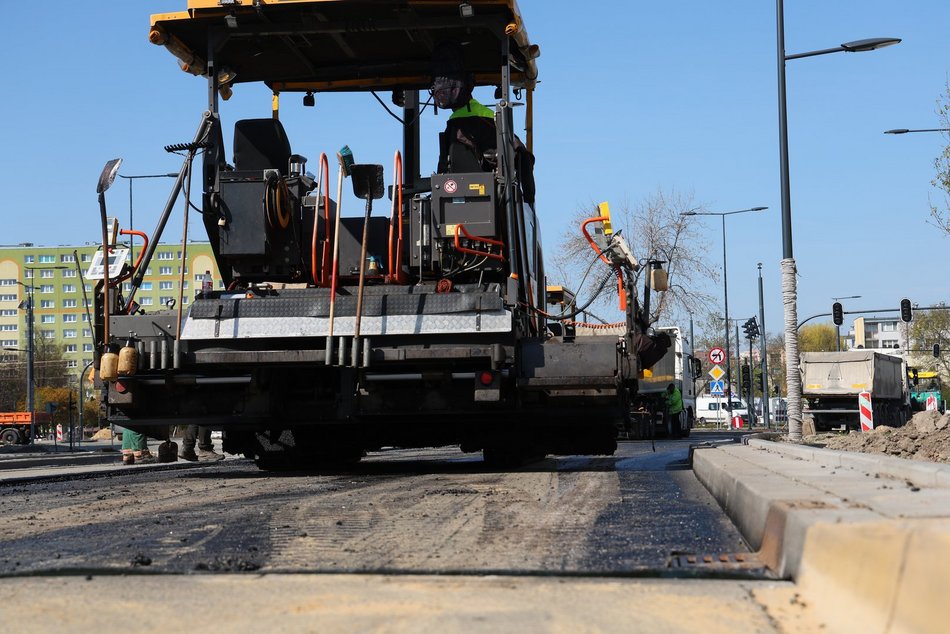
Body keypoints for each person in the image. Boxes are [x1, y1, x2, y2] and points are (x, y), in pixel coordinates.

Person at [431, 41, 535, 203]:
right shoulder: (489, 120)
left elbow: (444, 166)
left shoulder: (452, 126)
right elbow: (523, 158)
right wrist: (529, 200)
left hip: (455, 199)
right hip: (487, 201)